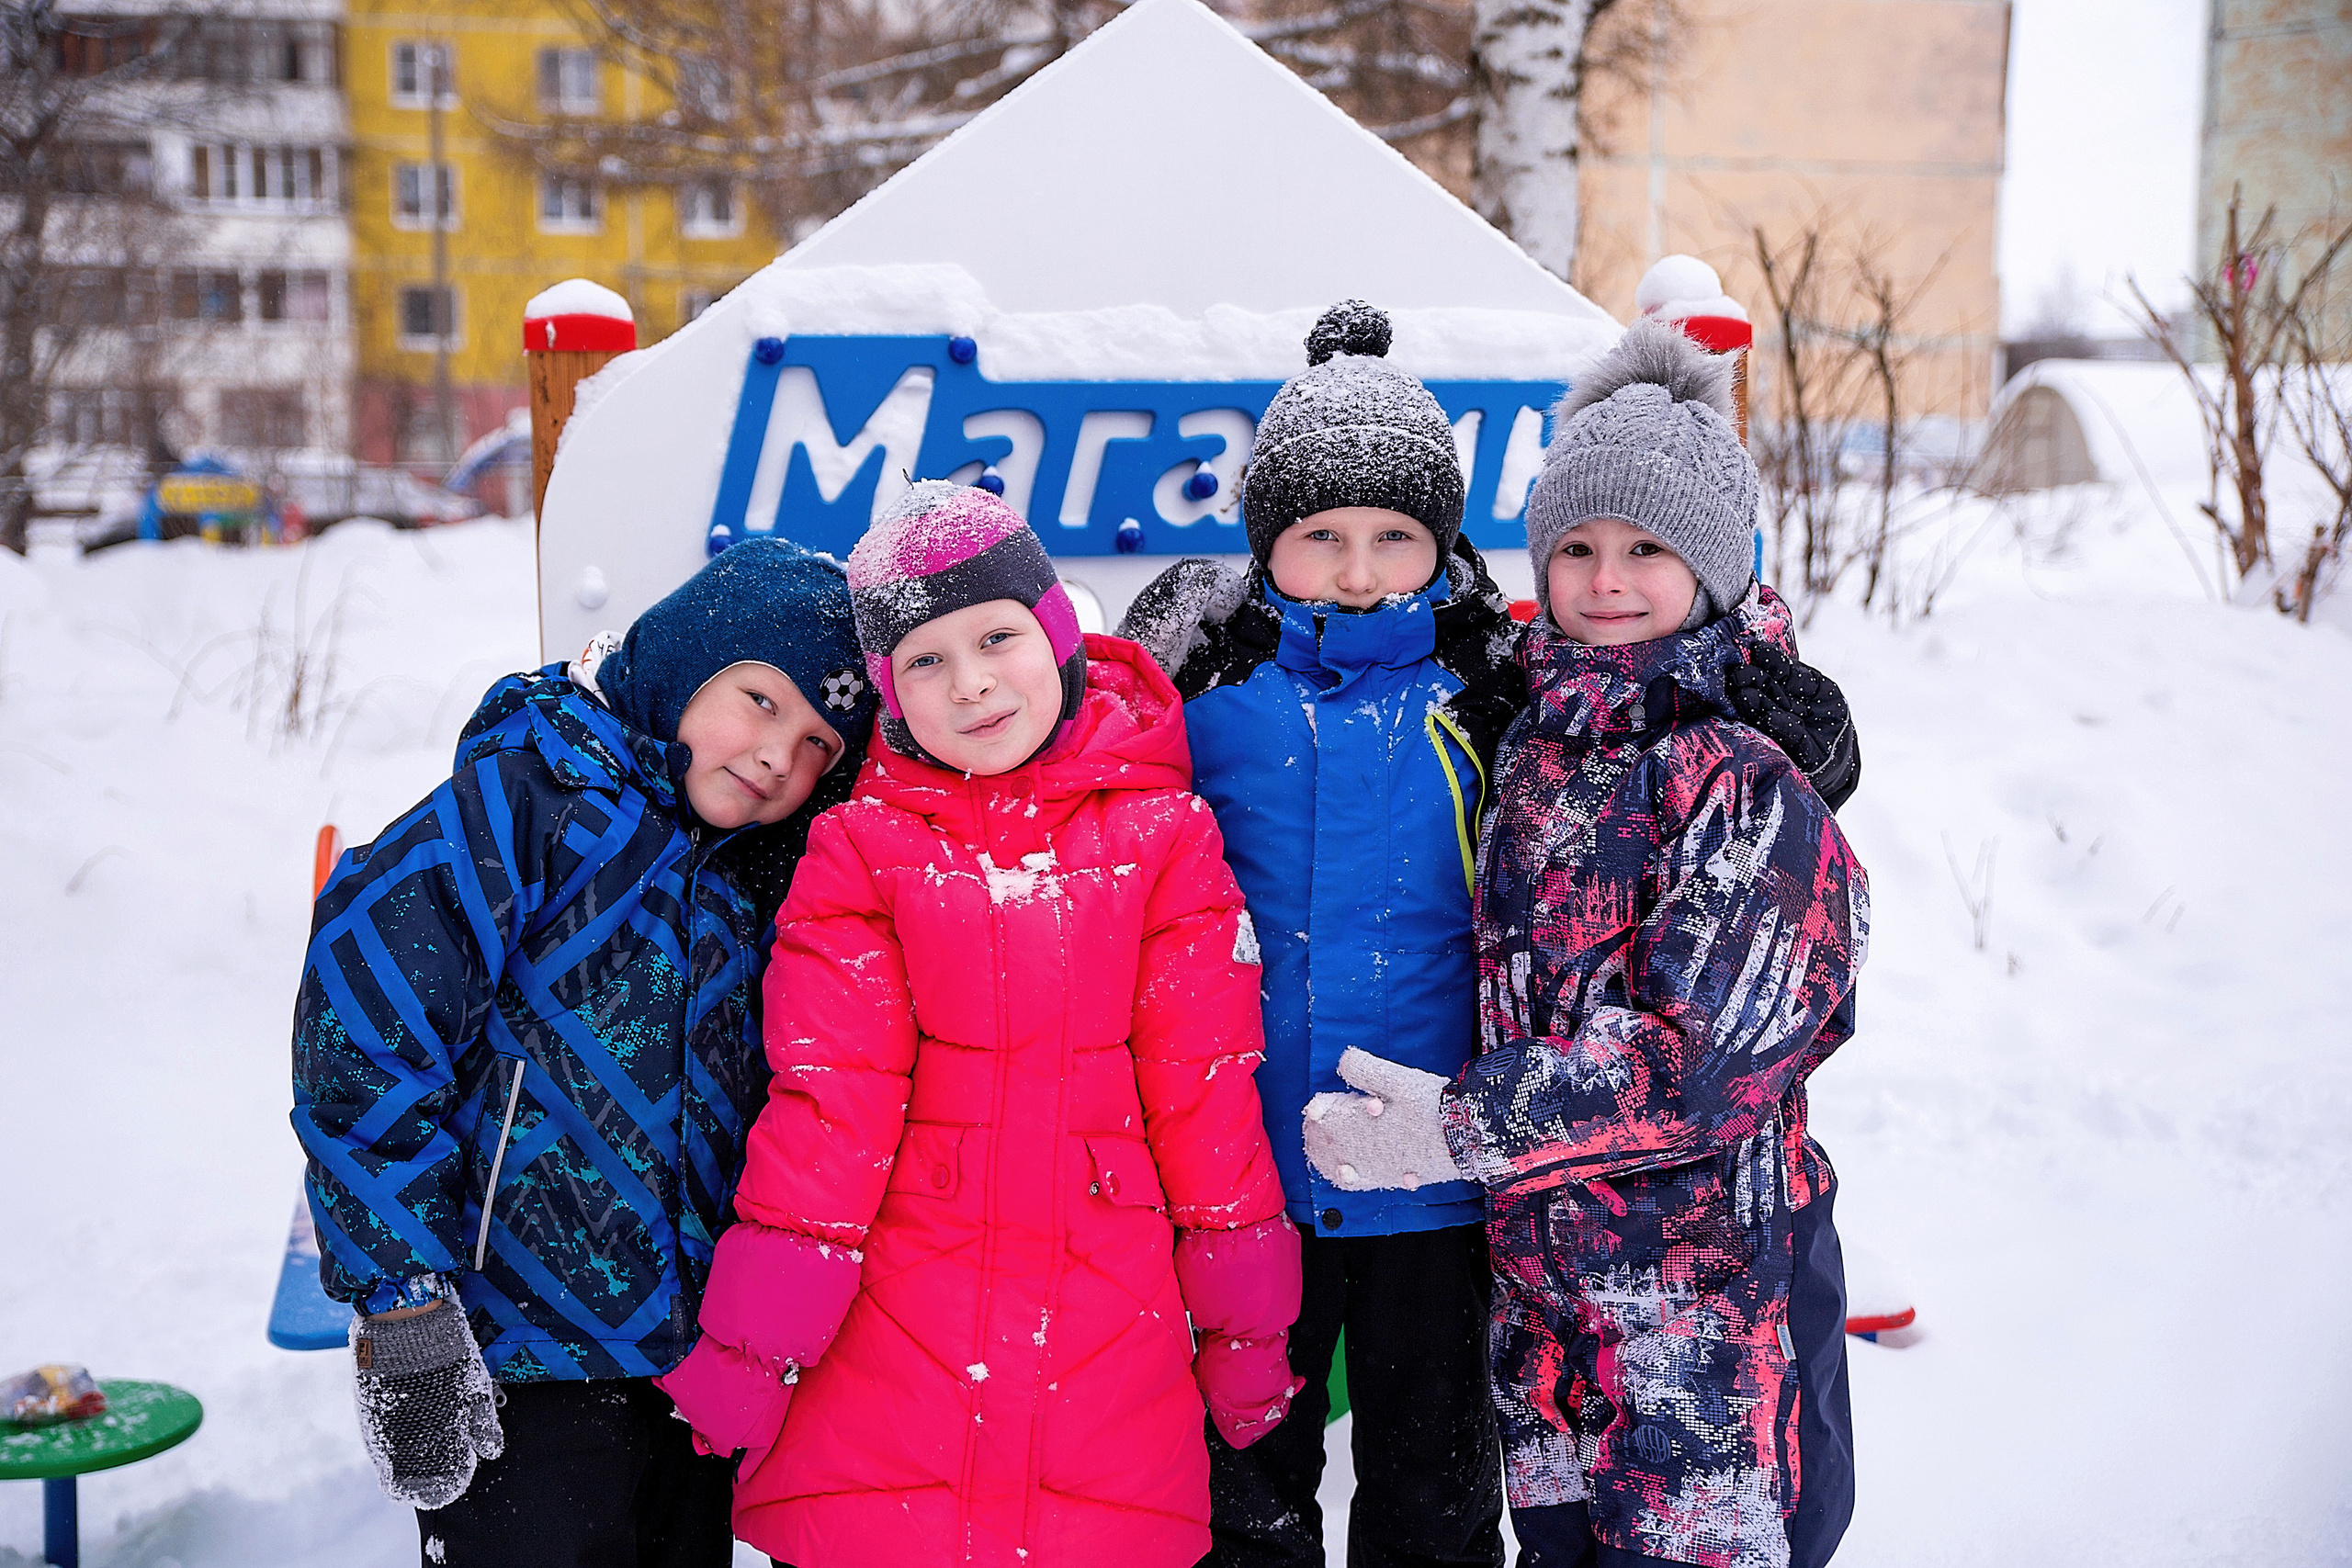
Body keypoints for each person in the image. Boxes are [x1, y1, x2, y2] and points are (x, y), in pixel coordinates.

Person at [1116, 302, 1862, 1568]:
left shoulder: (1507, 694)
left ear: (1444, 545)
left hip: (1523, 1220)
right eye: (1576, 546)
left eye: (1395, 536)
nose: (1360, 570)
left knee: (1438, 1502)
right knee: (1239, 1502)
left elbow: (1716, 1042)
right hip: (1274, 1186)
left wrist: (1790, 705)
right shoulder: (1245, 695)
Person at [659, 481, 1306, 1568]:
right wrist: (750, 1352)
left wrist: (1245, 1332)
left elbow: (1205, 1096)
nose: (969, 683)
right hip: (890, 1337)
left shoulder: (1164, 837)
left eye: (995, 637)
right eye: (924, 661)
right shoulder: (860, 849)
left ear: (1055, 636)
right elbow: (827, 1111)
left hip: (1105, 1336)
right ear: (889, 693)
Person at [290, 536, 879, 1568]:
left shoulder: (758, 885)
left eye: (822, 744)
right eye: (759, 699)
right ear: (682, 661)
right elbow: (364, 1040)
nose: (782, 753)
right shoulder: (524, 807)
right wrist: (407, 1307)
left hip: (690, 1373)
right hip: (517, 1363)